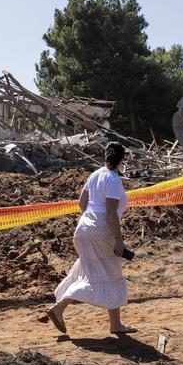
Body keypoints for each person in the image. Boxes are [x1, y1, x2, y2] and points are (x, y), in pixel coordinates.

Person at [46, 141, 136, 335]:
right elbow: (111, 212)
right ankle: (59, 308)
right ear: (122, 159)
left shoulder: (95, 175)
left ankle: (114, 324)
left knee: (90, 271)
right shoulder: (113, 179)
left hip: (83, 229)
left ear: (105, 156)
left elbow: (82, 203)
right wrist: (118, 238)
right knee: (110, 273)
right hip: (99, 231)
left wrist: (91, 219)